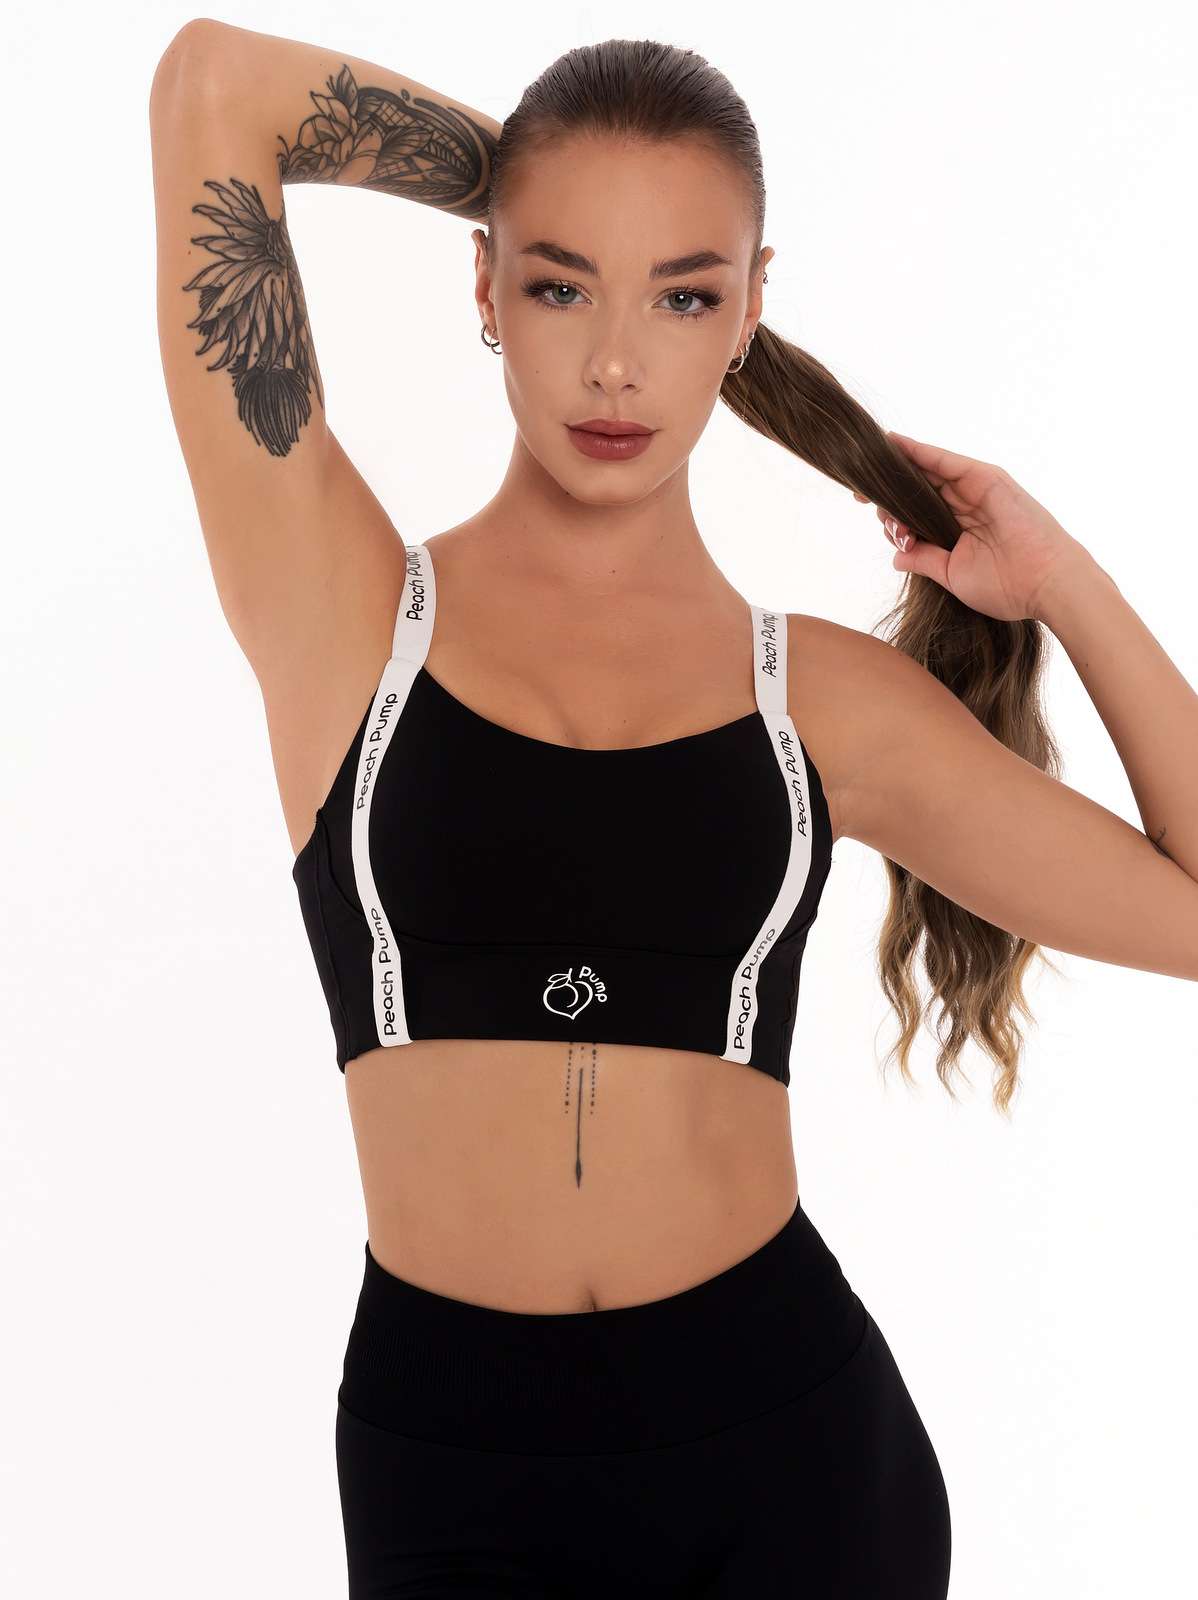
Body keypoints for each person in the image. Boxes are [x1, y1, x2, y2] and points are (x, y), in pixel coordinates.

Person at [149, 22, 1198, 1599]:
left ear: (749, 311)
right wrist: (519, 185)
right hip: (450, 1460)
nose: (616, 363)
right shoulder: (348, 617)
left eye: (683, 295)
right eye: (561, 286)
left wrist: (1066, 585)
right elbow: (214, 86)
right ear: (486, 290)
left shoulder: (816, 702)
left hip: (789, 1459)